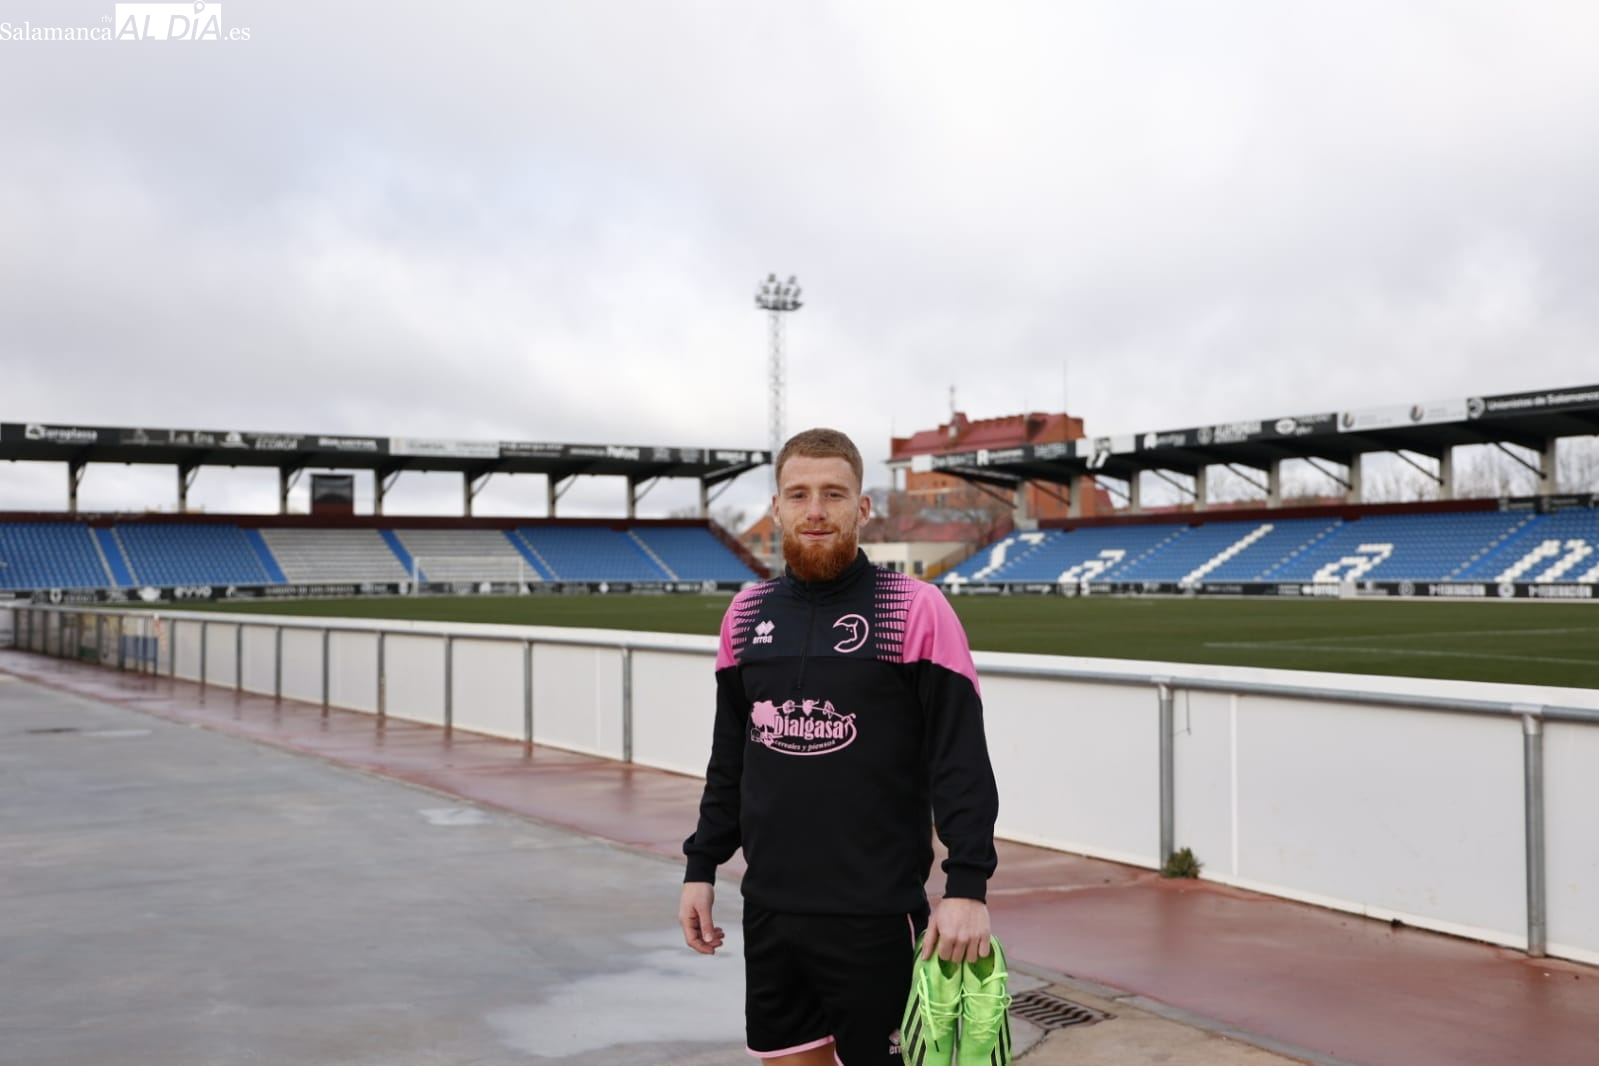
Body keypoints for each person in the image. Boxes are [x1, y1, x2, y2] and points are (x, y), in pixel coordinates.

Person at [678, 427, 1001, 1066]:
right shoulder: (745, 614)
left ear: (864, 507)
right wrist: (701, 865)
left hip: (877, 917)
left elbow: (958, 758)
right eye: (798, 494)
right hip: (771, 910)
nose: (816, 510)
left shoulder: (914, 608)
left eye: (834, 493)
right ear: (776, 509)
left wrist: (967, 886)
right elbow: (731, 759)